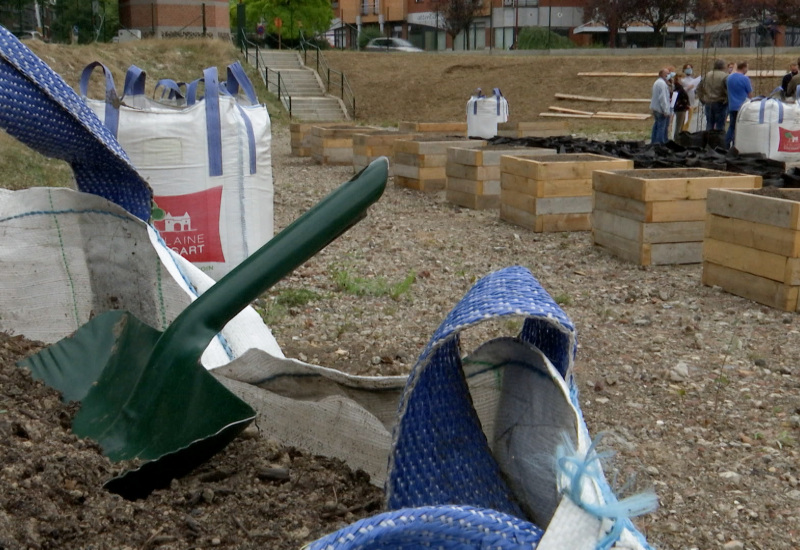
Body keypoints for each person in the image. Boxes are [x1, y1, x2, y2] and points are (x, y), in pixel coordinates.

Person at [725, 61, 753, 149]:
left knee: (731, 126)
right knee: (740, 128)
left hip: (732, 106)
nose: (747, 70)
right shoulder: (745, 79)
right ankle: (735, 145)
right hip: (742, 107)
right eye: (747, 68)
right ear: (744, 67)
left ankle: (725, 144)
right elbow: (750, 94)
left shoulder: (729, 78)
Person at [696, 59, 728, 131]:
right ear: (723, 66)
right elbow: (728, 89)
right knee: (720, 125)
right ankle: (718, 140)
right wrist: (727, 100)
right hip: (720, 102)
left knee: (709, 124)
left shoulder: (707, 75)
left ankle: (708, 140)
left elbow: (699, 88)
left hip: (708, 102)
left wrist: (702, 99)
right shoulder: (725, 76)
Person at [650, 68, 671, 145]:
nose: (669, 75)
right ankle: (660, 144)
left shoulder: (657, 82)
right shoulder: (662, 84)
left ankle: (654, 142)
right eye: (667, 73)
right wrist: (665, 110)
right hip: (660, 109)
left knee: (656, 126)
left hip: (656, 108)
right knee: (662, 128)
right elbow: (663, 98)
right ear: (662, 74)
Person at [681, 63, 702, 131]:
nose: (689, 70)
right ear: (684, 70)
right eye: (687, 68)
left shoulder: (693, 79)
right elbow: (680, 91)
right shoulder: (682, 80)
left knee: (688, 121)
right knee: (684, 121)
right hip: (684, 104)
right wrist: (688, 88)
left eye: (690, 68)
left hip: (691, 103)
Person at [672, 74, 691, 141]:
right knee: (679, 124)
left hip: (682, 107)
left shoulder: (680, 87)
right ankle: (677, 138)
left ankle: (678, 138)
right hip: (680, 108)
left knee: (681, 124)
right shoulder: (678, 88)